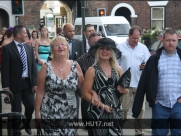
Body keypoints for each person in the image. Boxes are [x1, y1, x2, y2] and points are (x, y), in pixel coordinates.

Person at [132, 29, 181, 135]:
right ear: (162, 41)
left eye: (173, 40)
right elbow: (143, 83)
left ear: (177, 41)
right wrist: (151, 100)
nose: (171, 43)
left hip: (178, 105)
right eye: (168, 40)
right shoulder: (154, 59)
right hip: (160, 105)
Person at [35, 36, 84, 135]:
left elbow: (83, 88)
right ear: (52, 49)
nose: (60, 47)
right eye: (56, 45)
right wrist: (37, 114)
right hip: (49, 111)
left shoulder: (75, 65)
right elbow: (40, 92)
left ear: (67, 48)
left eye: (63, 44)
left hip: (70, 112)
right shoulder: (45, 67)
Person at [82, 38, 128, 136]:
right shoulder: (92, 70)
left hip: (116, 112)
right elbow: (85, 93)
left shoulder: (118, 69)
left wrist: (124, 90)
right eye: (102, 48)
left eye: (108, 49)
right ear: (98, 51)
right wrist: (101, 105)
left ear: (112, 52)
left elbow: (124, 90)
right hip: (98, 113)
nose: (104, 51)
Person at [1, 25, 37, 136]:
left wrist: (35, 83)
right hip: (14, 84)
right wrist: (6, 87)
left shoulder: (29, 48)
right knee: (16, 109)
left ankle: (26, 124)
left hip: (28, 82)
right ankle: (16, 131)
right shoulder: (7, 48)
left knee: (31, 106)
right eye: (25, 33)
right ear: (18, 35)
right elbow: (5, 69)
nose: (27, 35)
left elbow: (33, 67)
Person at [117, 25, 150, 136]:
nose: (136, 40)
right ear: (129, 36)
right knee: (124, 109)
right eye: (134, 38)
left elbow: (148, 64)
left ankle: (138, 132)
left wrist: (145, 66)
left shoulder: (143, 48)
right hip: (125, 84)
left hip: (140, 83)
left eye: (137, 38)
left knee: (140, 110)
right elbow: (115, 64)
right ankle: (119, 129)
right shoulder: (120, 47)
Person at [77, 32, 102, 136]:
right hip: (88, 98)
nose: (96, 45)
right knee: (91, 128)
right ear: (88, 43)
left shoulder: (108, 58)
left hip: (106, 98)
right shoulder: (81, 60)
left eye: (99, 42)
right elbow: (79, 82)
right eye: (93, 43)